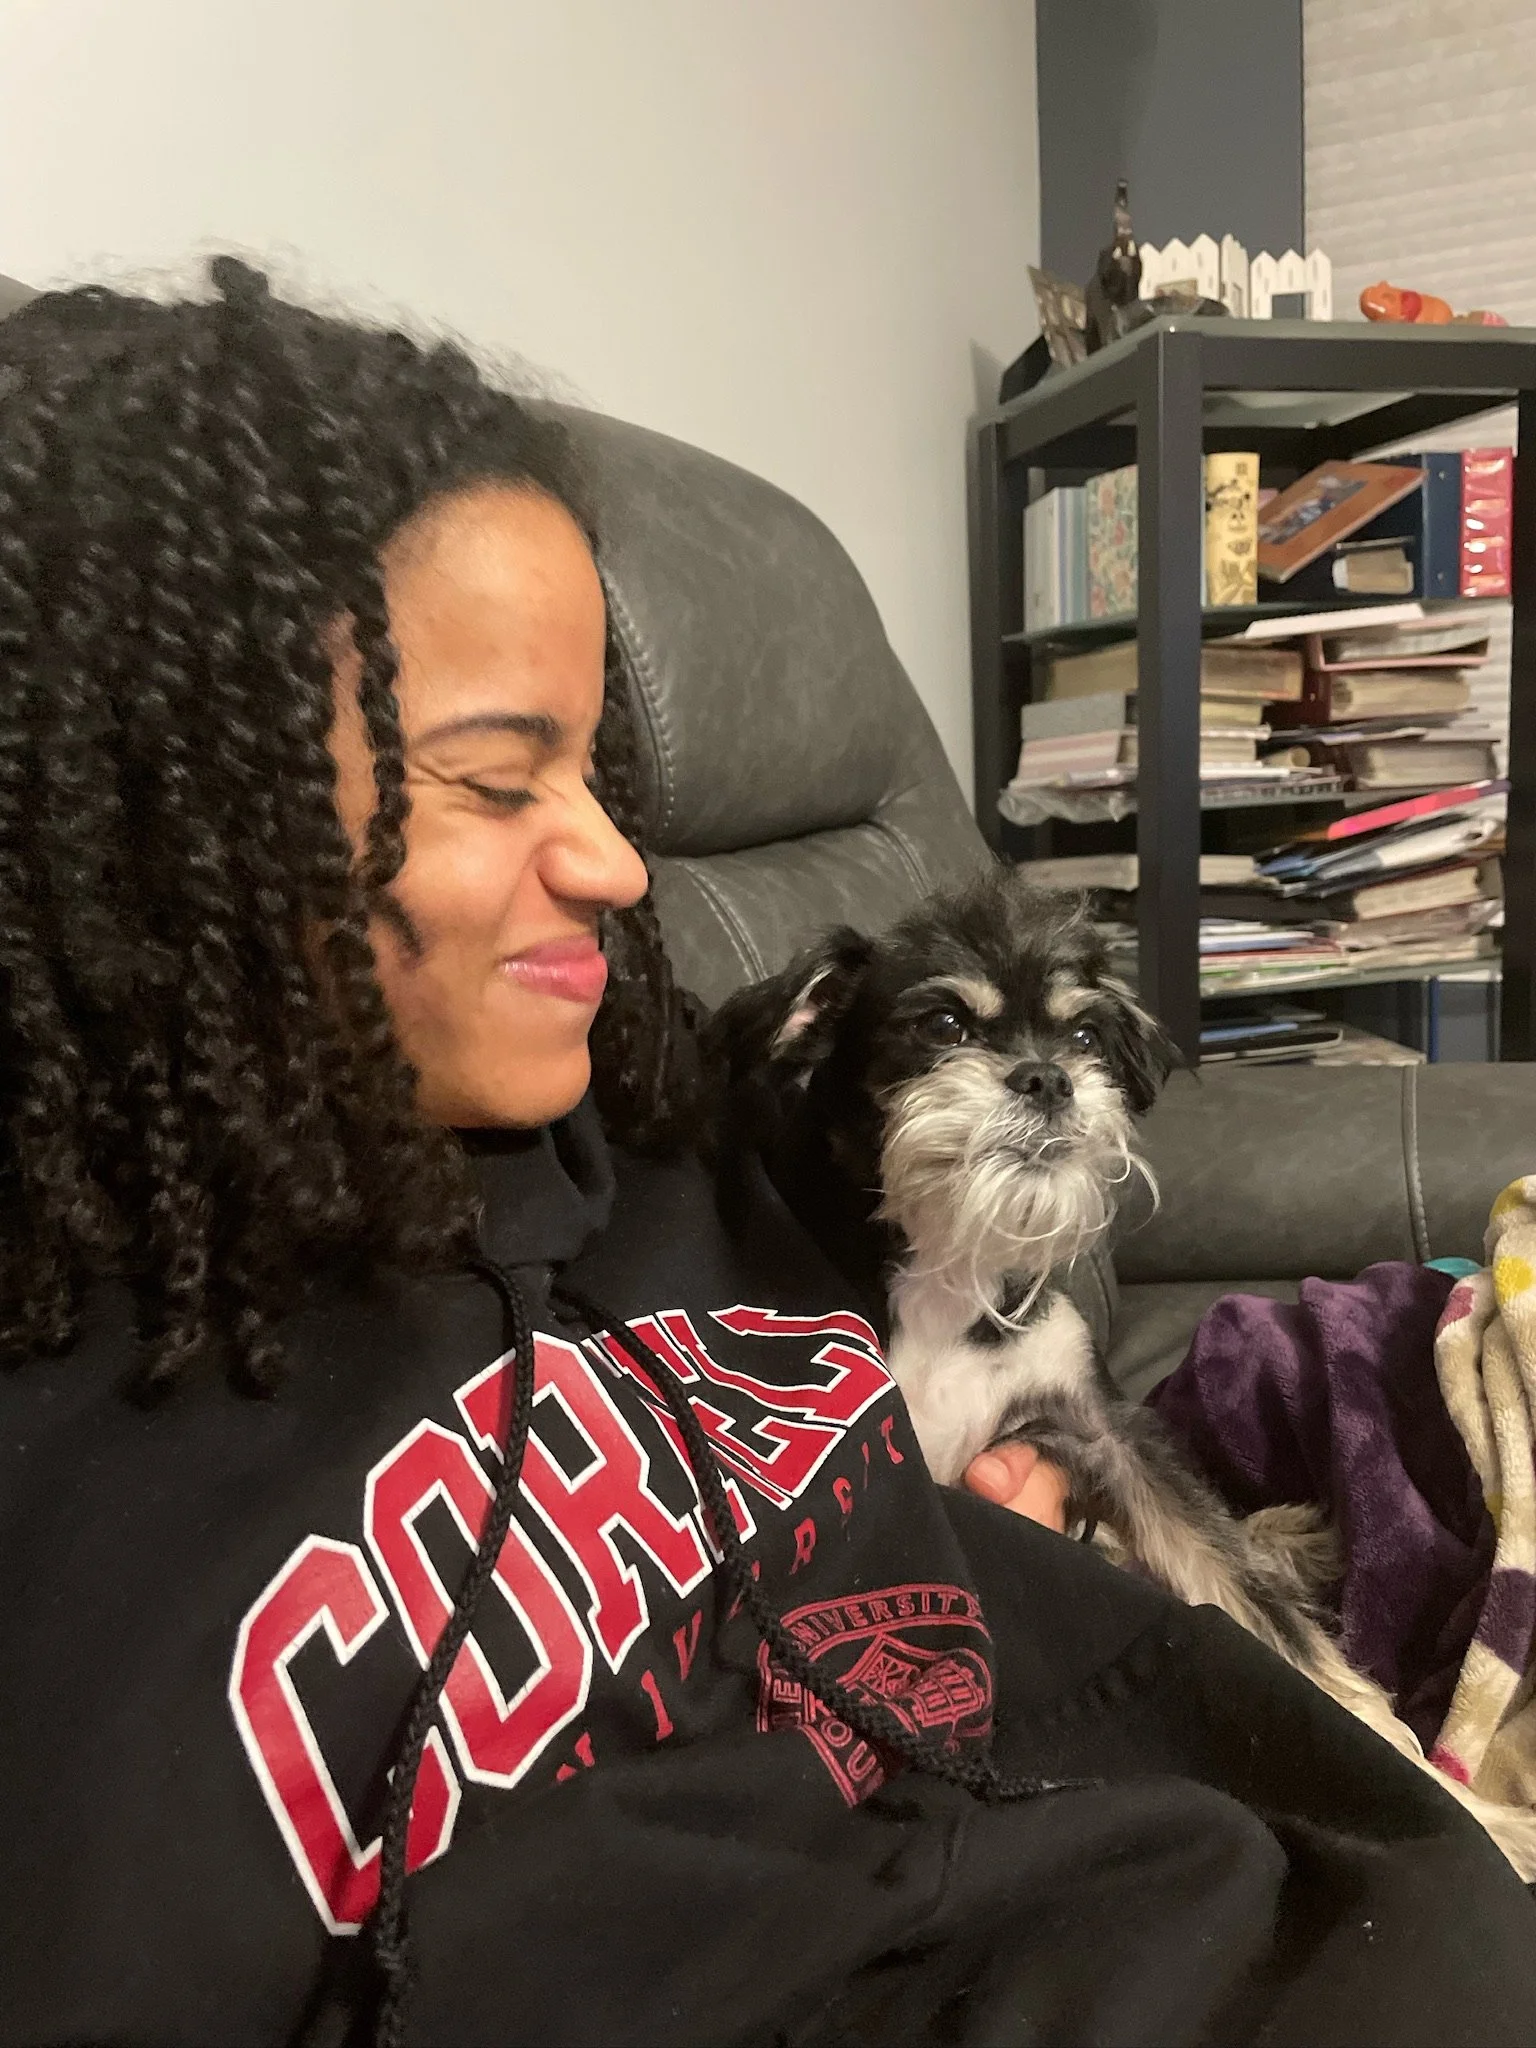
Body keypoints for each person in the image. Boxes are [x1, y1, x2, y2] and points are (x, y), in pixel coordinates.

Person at [0, 261, 1531, 2048]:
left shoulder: (659, 1123)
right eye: (499, 783)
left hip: (1277, 1855)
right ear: (176, 809)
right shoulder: (93, 1538)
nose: (621, 868)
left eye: (603, 777)